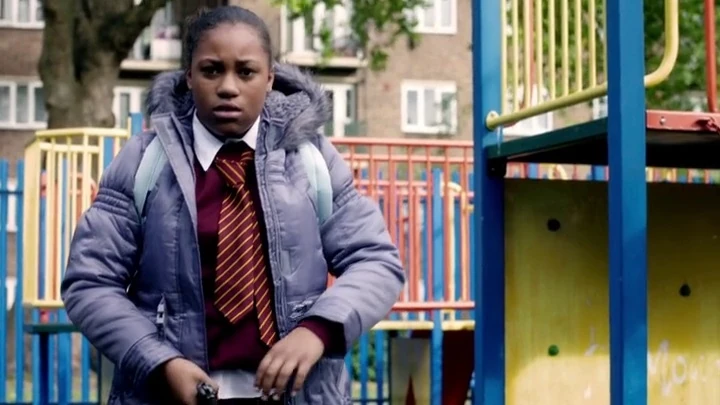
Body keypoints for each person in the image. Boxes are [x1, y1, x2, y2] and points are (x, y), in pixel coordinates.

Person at [60, 5, 404, 405]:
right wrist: (160, 362)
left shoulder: (311, 160)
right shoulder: (145, 161)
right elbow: (90, 282)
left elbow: (376, 262)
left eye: (246, 72)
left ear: (270, 77)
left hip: (299, 394)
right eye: (211, 70)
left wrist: (317, 331)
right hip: (168, 394)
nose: (228, 87)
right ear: (189, 76)